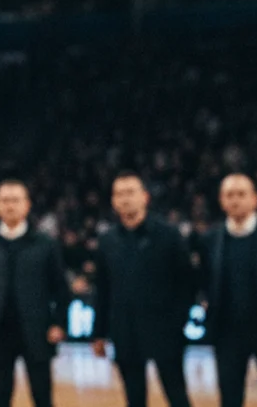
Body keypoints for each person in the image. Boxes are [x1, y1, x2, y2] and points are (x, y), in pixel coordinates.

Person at [92, 172, 193, 407]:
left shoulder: (169, 235)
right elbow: (103, 289)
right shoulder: (107, 240)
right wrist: (99, 333)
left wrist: (178, 322)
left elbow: (187, 283)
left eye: (130, 192)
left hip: (165, 331)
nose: (125, 198)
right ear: (113, 201)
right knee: (134, 398)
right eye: (119, 194)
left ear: (145, 197)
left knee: (177, 395)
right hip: (125, 332)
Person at [0, 180, 69, 407]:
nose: (10, 205)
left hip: (37, 331)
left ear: (27, 205)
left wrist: (58, 323)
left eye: (15, 200)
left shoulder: (45, 243)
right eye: (4, 200)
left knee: (42, 397)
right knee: (0, 397)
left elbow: (61, 289)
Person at [201, 174, 257, 407]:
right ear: (221, 200)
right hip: (227, 334)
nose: (235, 200)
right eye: (229, 195)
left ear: (255, 199)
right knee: (230, 399)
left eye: (241, 194)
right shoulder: (210, 239)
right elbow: (204, 280)